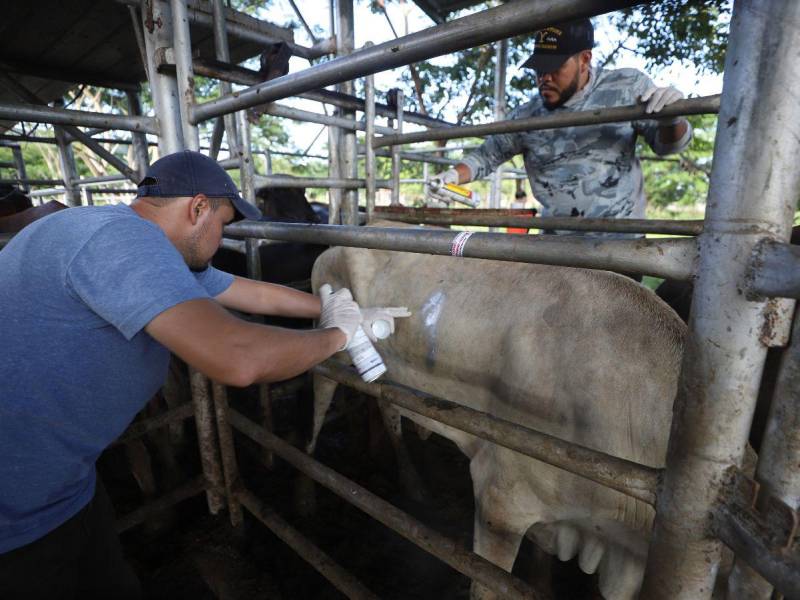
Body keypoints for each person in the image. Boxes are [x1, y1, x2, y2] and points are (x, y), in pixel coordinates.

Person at [0, 150, 408, 599]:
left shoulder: (124, 235)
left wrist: (338, 309)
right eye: (224, 223)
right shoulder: (122, 243)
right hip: (17, 512)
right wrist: (336, 337)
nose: (222, 236)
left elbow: (244, 291)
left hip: (63, 482)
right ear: (198, 208)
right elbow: (238, 357)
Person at [430, 18, 693, 237]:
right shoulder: (528, 115)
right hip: (557, 246)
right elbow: (486, 156)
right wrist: (451, 177)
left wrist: (672, 117)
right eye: (539, 69)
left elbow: (667, 145)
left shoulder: (626, 87)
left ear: (584, 59)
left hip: (619, 244)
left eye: (555, 67)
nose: (544, 77)